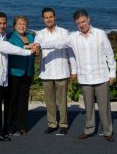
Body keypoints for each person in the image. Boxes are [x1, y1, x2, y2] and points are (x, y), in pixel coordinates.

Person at [36, 9, 116, 142]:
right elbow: (57, 44)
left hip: (101, 76)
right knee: (88, 106)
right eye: (79, 23)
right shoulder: (73, 37)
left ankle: (107, 131)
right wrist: (39, 44)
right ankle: (89, 130)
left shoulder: (100, 34)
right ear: (76, 23)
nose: (82, 25)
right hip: (84, 77)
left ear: (88, 19)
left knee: (104, 107)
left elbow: (109, 54)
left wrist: (112, 73)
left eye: (83, 21)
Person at [0, 12, 38, 150]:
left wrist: (27, 47)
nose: (2, 25)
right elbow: (8, 48)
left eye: (3, 23)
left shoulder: (3, 36)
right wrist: (29, 51)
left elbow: (9, 48)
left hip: (1, 79)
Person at [34, 7, 77, 135]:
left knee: (63, 101)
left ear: (55, 17)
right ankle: (52, 124)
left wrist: (73, 70)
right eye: (46, 17)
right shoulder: (39, 34)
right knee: (49, 101)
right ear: (43, 19)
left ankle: (63, 124)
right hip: (46, 72)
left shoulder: (64, 32)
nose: (49, 19)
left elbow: (70, 52)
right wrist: (36, 49)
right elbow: (36, 48)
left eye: (50, 17)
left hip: (62, 71)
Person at [2, 15, 35, 136]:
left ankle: (22, 126)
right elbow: (12, 49)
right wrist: (26, 47)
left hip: (27, 72)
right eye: (19, 24)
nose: (22, 26)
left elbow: (34, 52)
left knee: (23, 101)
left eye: (24, 24)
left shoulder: (31, 36)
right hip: (14, 72)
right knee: (11, 101)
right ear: (15, 26)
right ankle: (9, 127)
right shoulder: (10, 37)